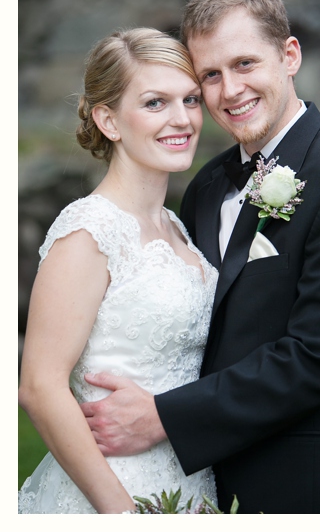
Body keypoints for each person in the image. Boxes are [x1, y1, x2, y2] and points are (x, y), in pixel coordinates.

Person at [79, 0, 320, 514]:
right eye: (210, 75)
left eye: (245, 64)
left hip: (311, 486)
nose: (230, 91)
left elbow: (319, 355)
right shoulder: (205, 186)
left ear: (289, 55)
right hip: (200, 480)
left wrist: (163, 416)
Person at [18, 29, 218, 513]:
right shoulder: (89, 230)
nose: (182, 118)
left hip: (191, 483)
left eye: (190, 99)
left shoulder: (175, 225)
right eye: (155, 103)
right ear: (108, 119)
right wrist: (123, 514)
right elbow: (40, 387)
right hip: (114, 490)